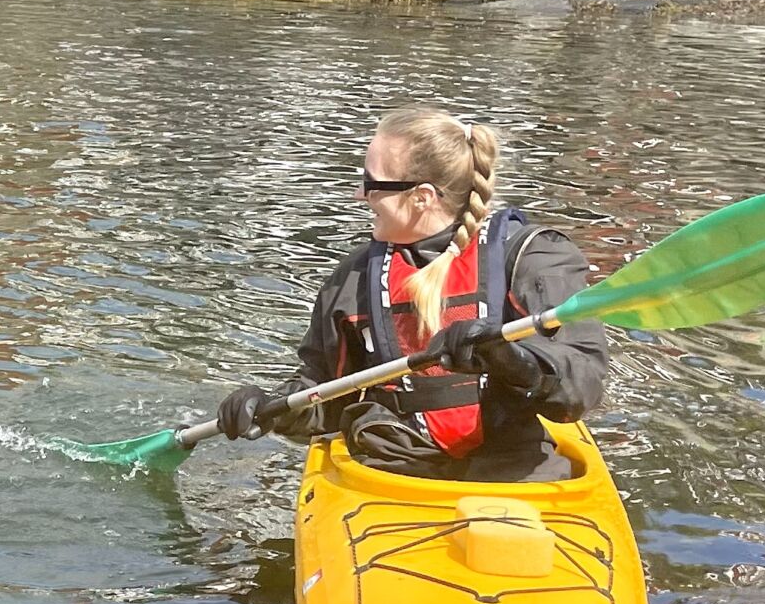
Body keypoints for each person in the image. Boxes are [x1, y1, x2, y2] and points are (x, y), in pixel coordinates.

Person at [216, 107, 605, 483]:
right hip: (393, 468)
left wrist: (509, 358)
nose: (358, 195)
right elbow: (325, 394)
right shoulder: (351, 280)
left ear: (422, 197)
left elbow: (581, 386)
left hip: (512, 467)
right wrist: (269, 409)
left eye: (370, 184)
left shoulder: (534, 259)